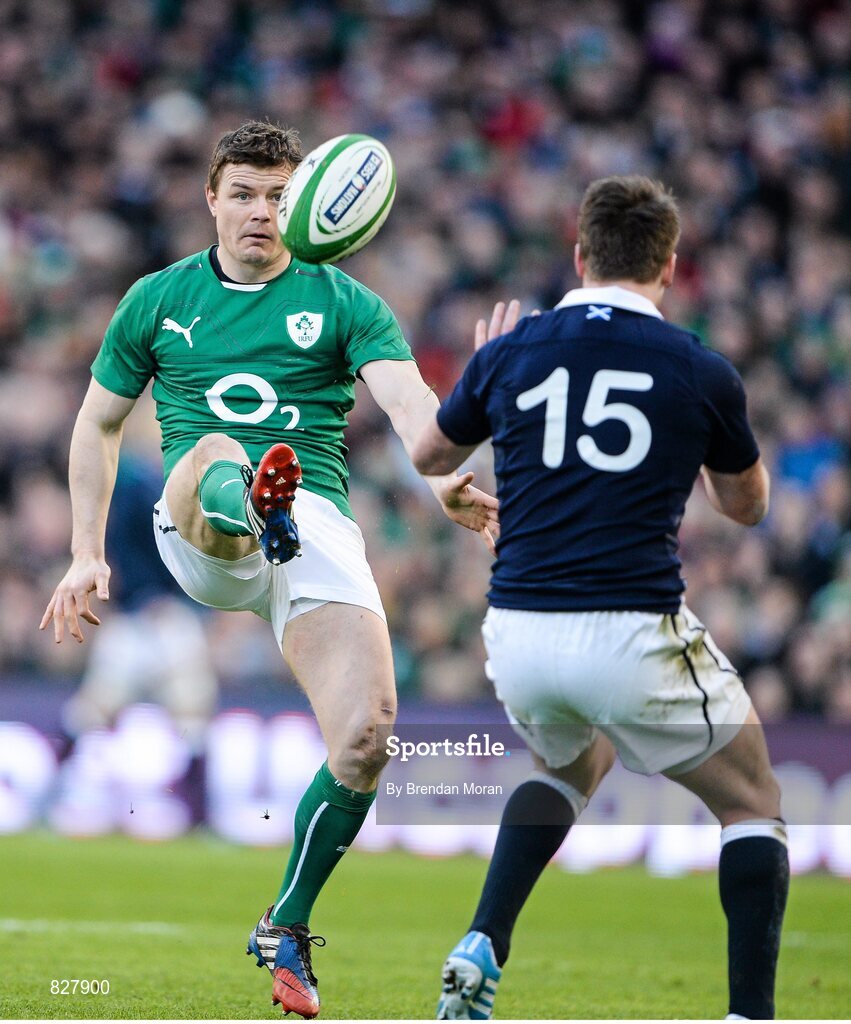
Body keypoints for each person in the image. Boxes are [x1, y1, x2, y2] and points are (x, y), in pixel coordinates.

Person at [40, 119, 497, 1020]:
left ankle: (285, 922)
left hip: (311, 522)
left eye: (279, 197)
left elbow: (411, 406)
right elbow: (97, 424)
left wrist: (442, 478)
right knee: (216, 450)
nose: (260, 211)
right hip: (199, 524)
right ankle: (251, 505)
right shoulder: (158, 299)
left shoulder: (347, 303)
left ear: (306, 203)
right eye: (243, 194)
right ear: (211, 199)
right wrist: (86, 552)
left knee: (368, 735)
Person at [412, 176, 789, 1021]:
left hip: (518, 632)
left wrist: (487, 372)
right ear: (669, 265)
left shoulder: (513, 351)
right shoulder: (697, 367)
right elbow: (746, 507)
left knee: (569, 764)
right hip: (628, 629)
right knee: (752, 801)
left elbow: (431, 455)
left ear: (579, 255)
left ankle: (482, 939)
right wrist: (702, 441)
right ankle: (749, 1016)